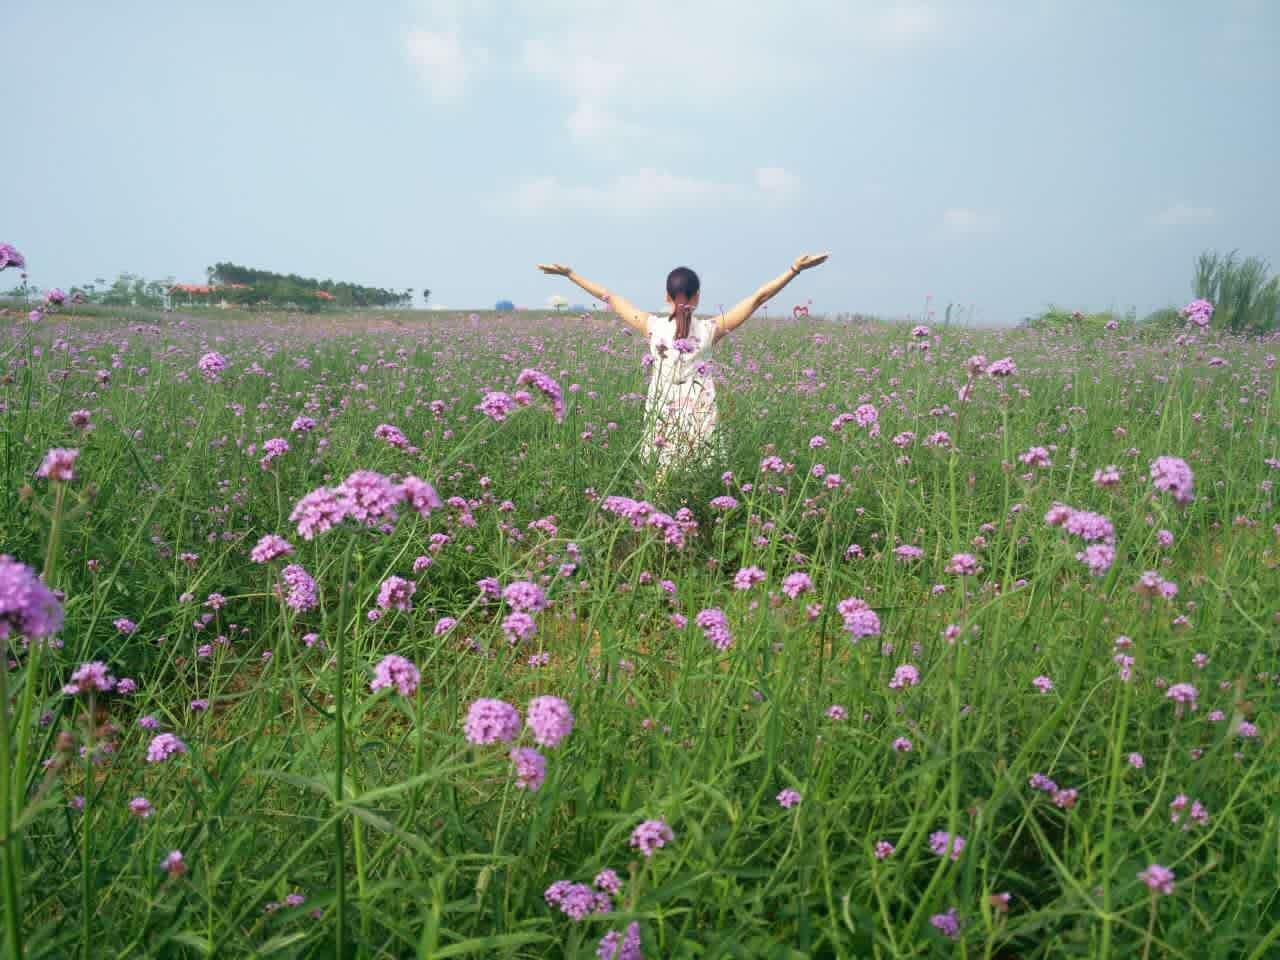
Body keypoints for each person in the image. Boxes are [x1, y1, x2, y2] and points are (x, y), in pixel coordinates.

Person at [537, 255, 828, 477]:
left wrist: (569, 274)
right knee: (699, 465)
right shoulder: (710, 330)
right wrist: (794, 270)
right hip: (700, 407)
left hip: (663, 408)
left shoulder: (652, 327)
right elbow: (758, 299)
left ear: (666, 296)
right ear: (698, 296)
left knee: (662, 471)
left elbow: (609, 298)